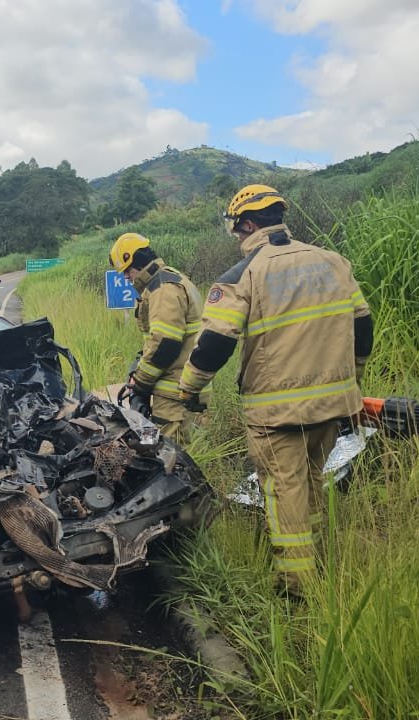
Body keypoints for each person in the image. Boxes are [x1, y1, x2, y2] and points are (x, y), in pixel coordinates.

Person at [178, 184, 373, 595]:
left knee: (284, 489)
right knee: (312, 479)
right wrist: (352, 378)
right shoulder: (333, 262)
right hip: (334, 402)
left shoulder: (243, 275)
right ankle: (318, 560)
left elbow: (215, 344)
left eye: (237, 230)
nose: (237, 238)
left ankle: (296, 586)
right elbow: (363, 326)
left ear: (249, 225)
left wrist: (189, 388)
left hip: (278, 412)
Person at [109, 233, 203, 443]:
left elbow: (165, 344)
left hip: (174, 393)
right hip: (178, 389)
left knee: (170, 454)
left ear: (137, 262)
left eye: (127, 271)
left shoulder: (163, 289)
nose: (126, 278)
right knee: (165, 448)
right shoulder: (165, 282)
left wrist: (140, 382)